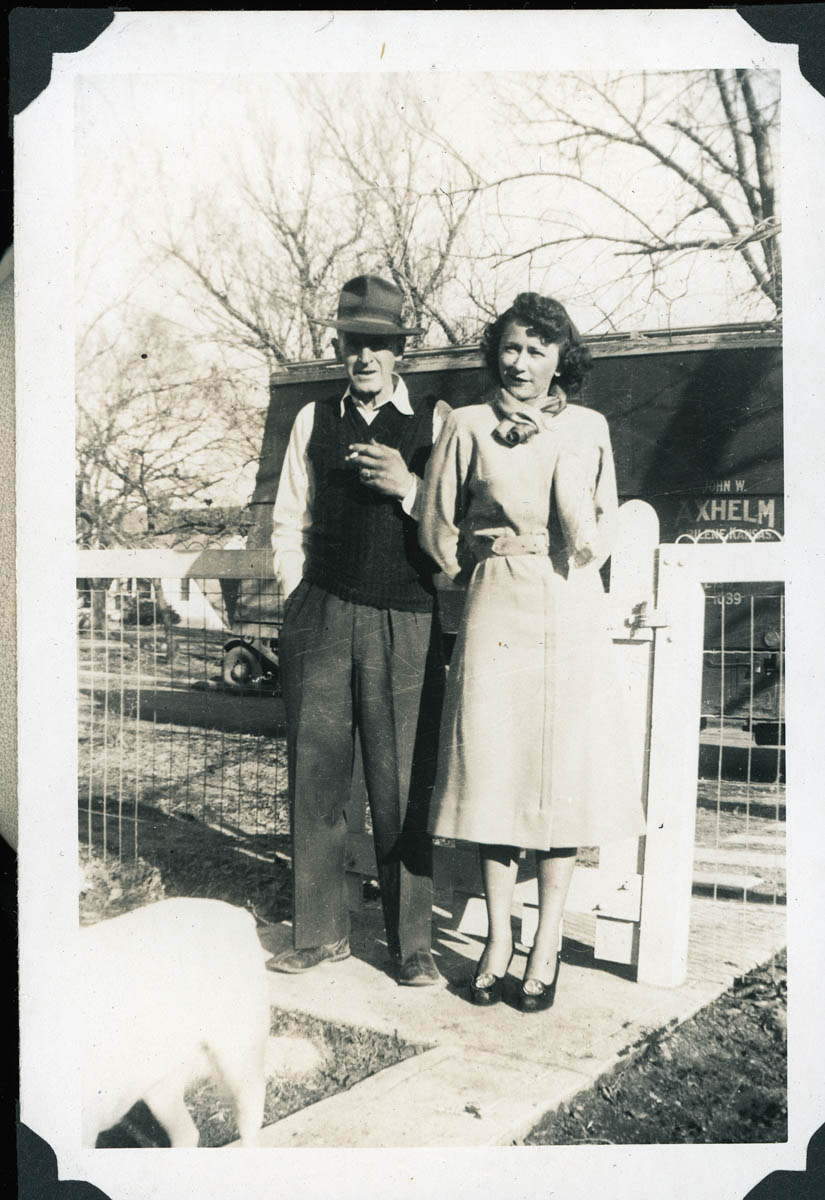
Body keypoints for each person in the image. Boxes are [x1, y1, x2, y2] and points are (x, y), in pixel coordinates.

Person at [419, 291, 646, 1012]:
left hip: (568, 603)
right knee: (494, 771)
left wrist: (579, 546)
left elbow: (604, 519)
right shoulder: (466, 425)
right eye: (511, 348)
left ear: (559, 359)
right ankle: (498, 941)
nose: (520, 363)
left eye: (537, 350)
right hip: (496, 602)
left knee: (560, 776)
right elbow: (435, 524)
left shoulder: (588, 426)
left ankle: (546, 946)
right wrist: (477, 569)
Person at [269, 275, 451, 987]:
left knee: (401, 786)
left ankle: (413, 946)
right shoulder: (313, 418)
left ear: (400, 351)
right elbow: (289, 517)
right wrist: (297, 595)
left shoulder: (435, 421)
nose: (365, 356)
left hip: (405, 617)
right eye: (353, 342)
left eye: (378, 344)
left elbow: (454, 526)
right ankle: (320, 934)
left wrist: (408, 486)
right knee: (316, 776)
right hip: (321, 611)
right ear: (339, 346)